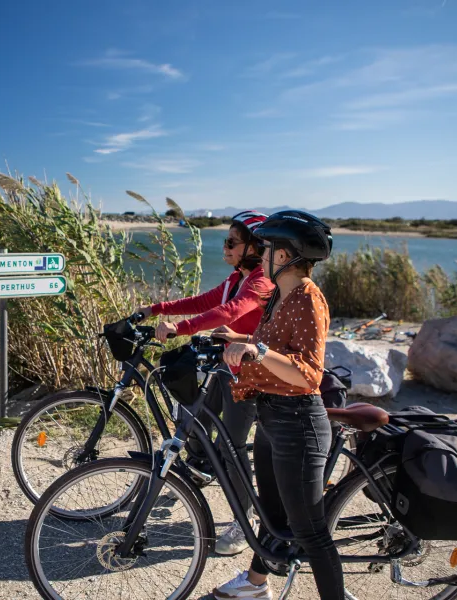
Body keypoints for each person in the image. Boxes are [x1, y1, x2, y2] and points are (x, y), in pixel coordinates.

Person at [212, 210, 342, 600]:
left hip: (297, 425)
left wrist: (259, 351)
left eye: (267, 248)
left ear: (284, 256)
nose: (261, 255)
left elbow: (308, 374)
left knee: (310, 532)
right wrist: (235, 338)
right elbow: (269, 345)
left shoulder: (307, 298)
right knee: (274, 519)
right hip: (272, 419)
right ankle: (256, 585)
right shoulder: (279, 297)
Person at [137, 210, 274, 556]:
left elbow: (230, 312)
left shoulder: (261, 282)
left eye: (232, 242)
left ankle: (245, 521)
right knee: (195, 418)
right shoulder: (236, 278)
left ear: (254, 247)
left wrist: (180, 328)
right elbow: (203, 302)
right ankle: (201, 468)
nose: (225, 247)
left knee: (232, 446)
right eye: (225, 241)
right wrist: (156, 309)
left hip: (249, 375)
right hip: (225, 367)